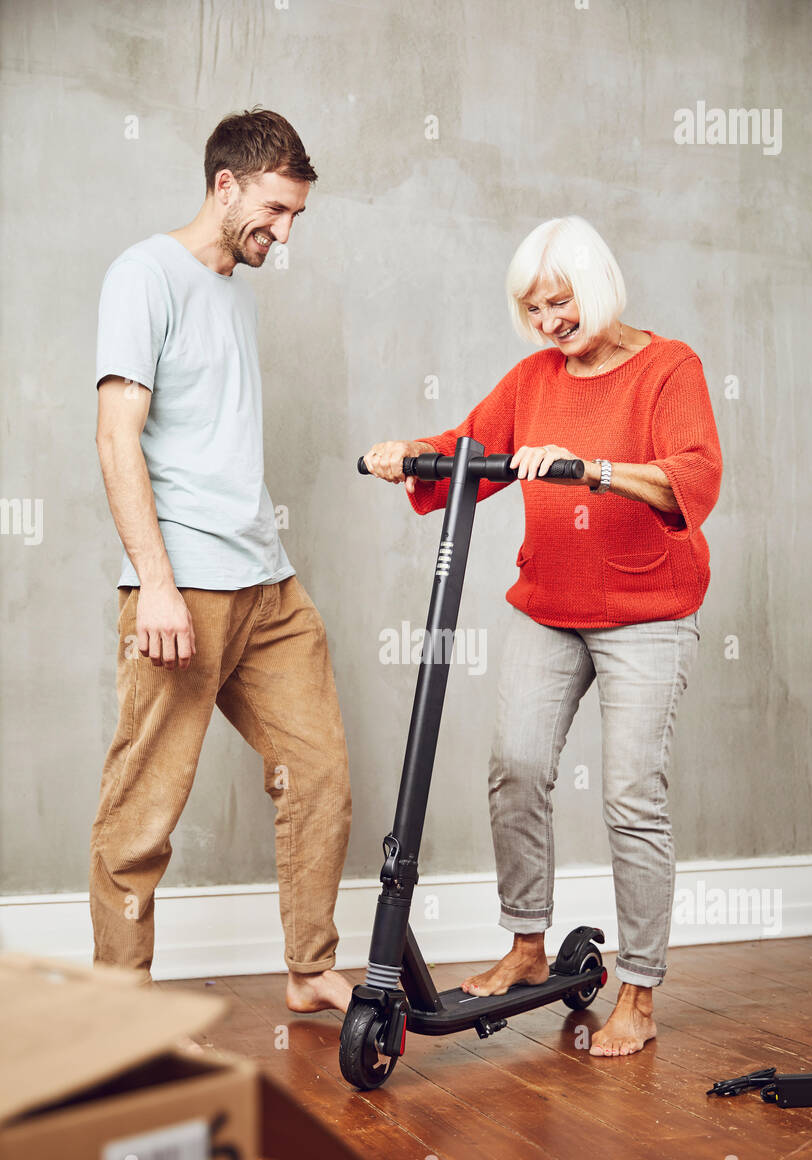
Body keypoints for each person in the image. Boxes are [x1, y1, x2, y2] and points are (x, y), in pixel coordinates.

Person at [362, 215, 723, 1057]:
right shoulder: (534, 379)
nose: (549, 324)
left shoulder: (670, 367)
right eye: (533, 310)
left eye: (560, 303)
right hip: (549, 603)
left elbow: (690, 481)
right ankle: (528, 946)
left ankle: (638, 988)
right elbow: (467, 446)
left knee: (632, 794)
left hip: (649, 610)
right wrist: (409, 453)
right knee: (516, 767)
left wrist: (588, 468)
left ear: (595, 288)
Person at [90, 108, 352, 1014]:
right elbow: (117, 435)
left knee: (317, 770)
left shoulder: (234, 284)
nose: (282, 233)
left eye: (294, 218)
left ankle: (309, 967)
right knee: (143, 809)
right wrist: (154, 584)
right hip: (184, 588)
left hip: (264, 579)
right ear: (225, 184)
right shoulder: (144, 274)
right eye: (275, 211)